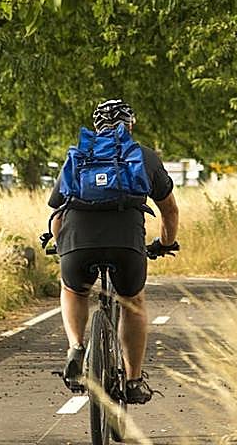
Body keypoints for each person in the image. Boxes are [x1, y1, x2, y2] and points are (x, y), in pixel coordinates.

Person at [46, 99, 179, 404]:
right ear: (130, 125)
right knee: (133, 302)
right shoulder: (143, 156)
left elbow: (57, 214)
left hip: (78, 240)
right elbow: (169, 210)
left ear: (96, 127)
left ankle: (77, 347)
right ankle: (133, 381)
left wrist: (61, 246)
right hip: (126, 243)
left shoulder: (78, 156)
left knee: (73, 289)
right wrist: (166, 243)